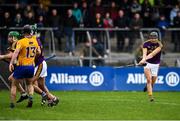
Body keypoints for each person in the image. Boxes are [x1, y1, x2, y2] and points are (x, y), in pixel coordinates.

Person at [9, 25, 41, 108]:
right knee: (29, 84)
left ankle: (12, 104)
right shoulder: (35, 41)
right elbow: (38, 52)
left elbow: (16, 52)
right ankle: (30, 97)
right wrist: (32, 57)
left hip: (21, 66)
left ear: (24, 32)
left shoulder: (21, 41)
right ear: (30, 32)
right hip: (31, 67)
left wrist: (11, 63)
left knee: (14, 84)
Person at [0, 31, 29, 108]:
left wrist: (2, 57)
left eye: (10, 37)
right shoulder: (16, 44)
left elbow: (12, 55)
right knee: (11, 79)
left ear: (14, 37)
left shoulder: (16, 43)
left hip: (23, 66)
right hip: (24, 66)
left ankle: (12, 104)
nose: (8, 38)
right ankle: (23, 93)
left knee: (13, 82)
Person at [138, 31, 163, 102]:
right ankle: (151, 97)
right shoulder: (146, 44)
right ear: (150, 38)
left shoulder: (159, 45)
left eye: (155, 38)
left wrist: (144, 59)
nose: (153, 39)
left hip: (156, 64)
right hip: (147, 63)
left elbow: (152, 54)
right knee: (149, 79)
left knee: (153, 82)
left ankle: (147, 86)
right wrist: (143, 59)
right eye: (152, 38)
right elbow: (144, 53)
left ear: (157, 38)